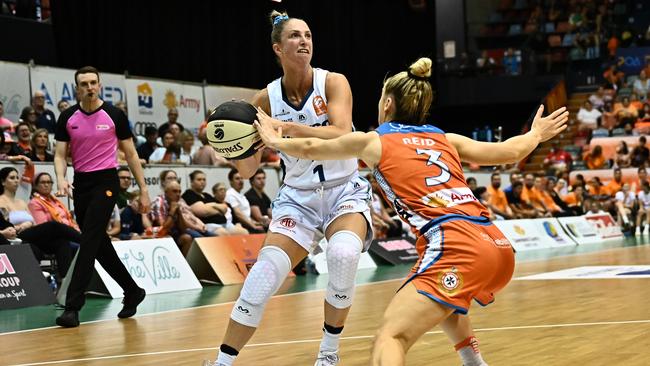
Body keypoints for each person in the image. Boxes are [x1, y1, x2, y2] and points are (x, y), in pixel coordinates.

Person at [253, 56, 568, 366]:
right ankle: (474, 362)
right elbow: (509, 152)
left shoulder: (374, 141)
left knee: (390, 338)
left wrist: (274, 140)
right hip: (497, 247)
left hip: (455, 246)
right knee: (446, 302)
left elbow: (310, 149)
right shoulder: (445, 138)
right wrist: (536, 134)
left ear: (387, 103)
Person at [209, 11, 374, 366]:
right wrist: (232, 147)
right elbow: (250, 167)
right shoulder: (263, 101)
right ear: (278, 47)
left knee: (343, 256)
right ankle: (222, 363)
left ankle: (329, 355)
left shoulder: (333, 82)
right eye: (296, 36)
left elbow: (343, 133)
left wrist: (281, 130)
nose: (304, 42)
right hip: (298, 198)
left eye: (309, 36)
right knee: (263, 275)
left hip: (344, 189)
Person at [53, 66, 151, 328]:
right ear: (77, 88)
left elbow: (130, 155)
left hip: (106, 182)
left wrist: (143, 189)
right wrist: (61, 178)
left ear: (100, 84)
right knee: (98, 245)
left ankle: (72, 307)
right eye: (84, 83)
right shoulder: (67, 117)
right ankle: (132, 290)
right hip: (81, 184)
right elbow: (60, 155)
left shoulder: (114, 115)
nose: (89, 87)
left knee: (88, 242)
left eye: (93, 82)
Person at [0, 167, 79, 282]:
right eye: (12, 178)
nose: (16, 180)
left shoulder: (21, 202)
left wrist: (28, 223)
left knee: (62, 242)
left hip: (30, 234)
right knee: (53, 225)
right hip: (16, 235)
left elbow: (34, 222)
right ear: (3, 182)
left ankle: (65, 280)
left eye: (17, 177)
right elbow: (5, 224)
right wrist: (23, 225)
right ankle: (84, 239)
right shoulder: (1, 201)